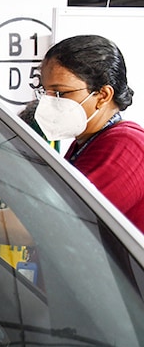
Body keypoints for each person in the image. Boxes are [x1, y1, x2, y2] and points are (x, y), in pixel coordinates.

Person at [34, 34, 144, 231]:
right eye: (45, 92)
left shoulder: (126, 146)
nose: (49, 102)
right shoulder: (86, 143)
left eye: (59, 93)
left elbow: (55, 223)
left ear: (103, 95)